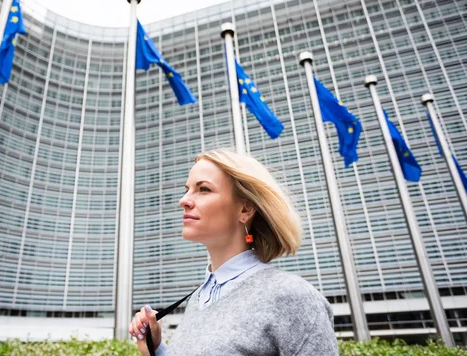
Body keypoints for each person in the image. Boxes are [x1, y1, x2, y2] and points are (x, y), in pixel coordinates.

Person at [128, 149, 339, 356]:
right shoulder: (199, 299)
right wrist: (156, 349)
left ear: (245, 210)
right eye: (187, 189)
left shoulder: (292, 296)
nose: (183, 200)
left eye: (203, 189)